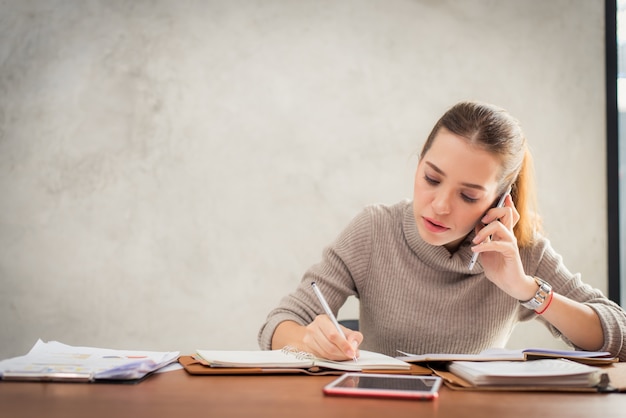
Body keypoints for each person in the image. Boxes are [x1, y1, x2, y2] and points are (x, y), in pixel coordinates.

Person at [257, 100, 626, 361]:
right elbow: (275, 326)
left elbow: (620, 338)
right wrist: (309, 339)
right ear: (418, 164)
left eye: (468, 195)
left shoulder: (519, 253)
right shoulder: (374, 230)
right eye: (431, 178)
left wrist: (525, 289)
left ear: (499, 201)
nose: (440, 205)